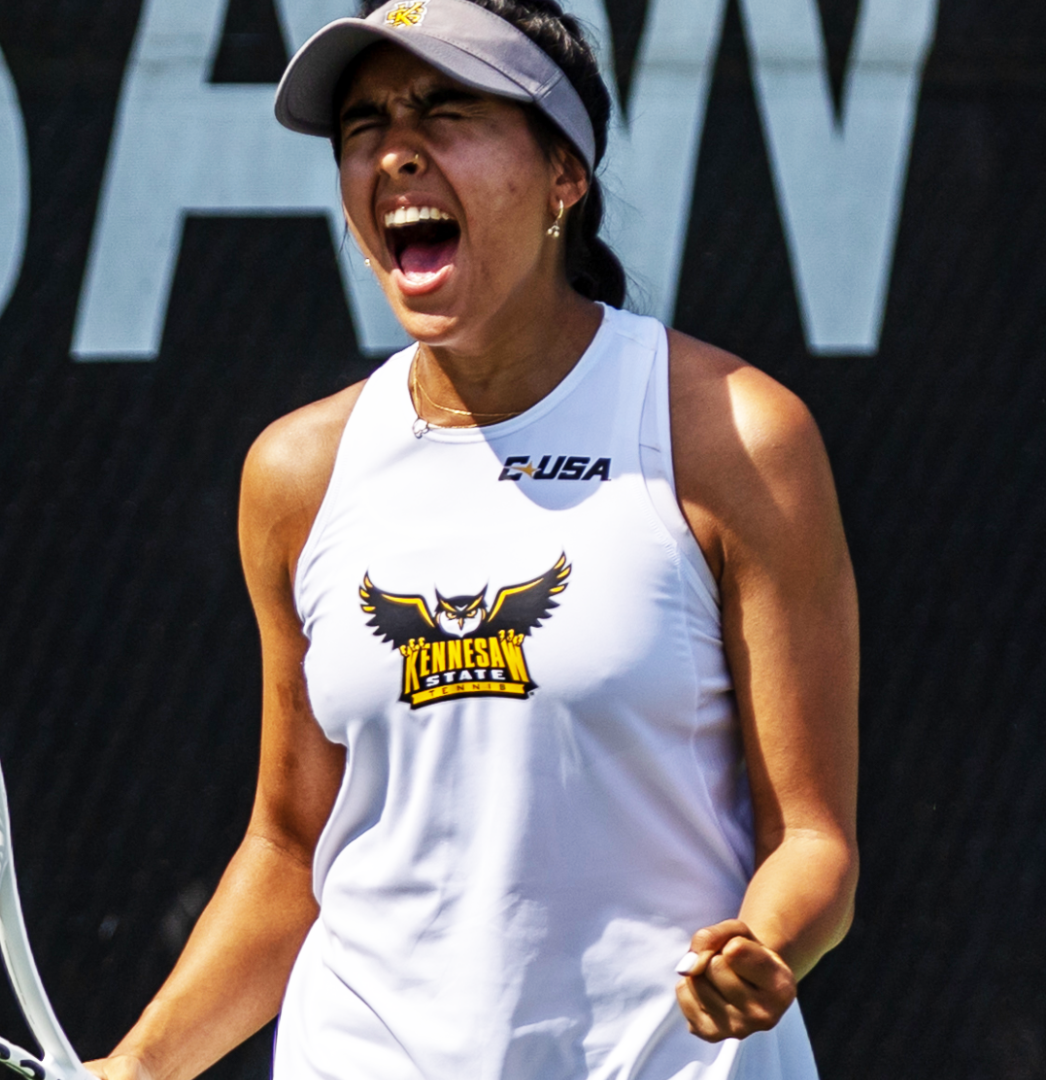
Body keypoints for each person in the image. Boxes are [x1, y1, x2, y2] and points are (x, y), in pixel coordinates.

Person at [83, 1, 860, 1077]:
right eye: (364, 127)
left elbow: (812, 843)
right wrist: (139, 1066)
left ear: (564, 176)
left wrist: (765, 941)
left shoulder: (734, 435)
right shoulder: (297, 475)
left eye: (447, 113)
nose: (395, 151)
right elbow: (289, 850)